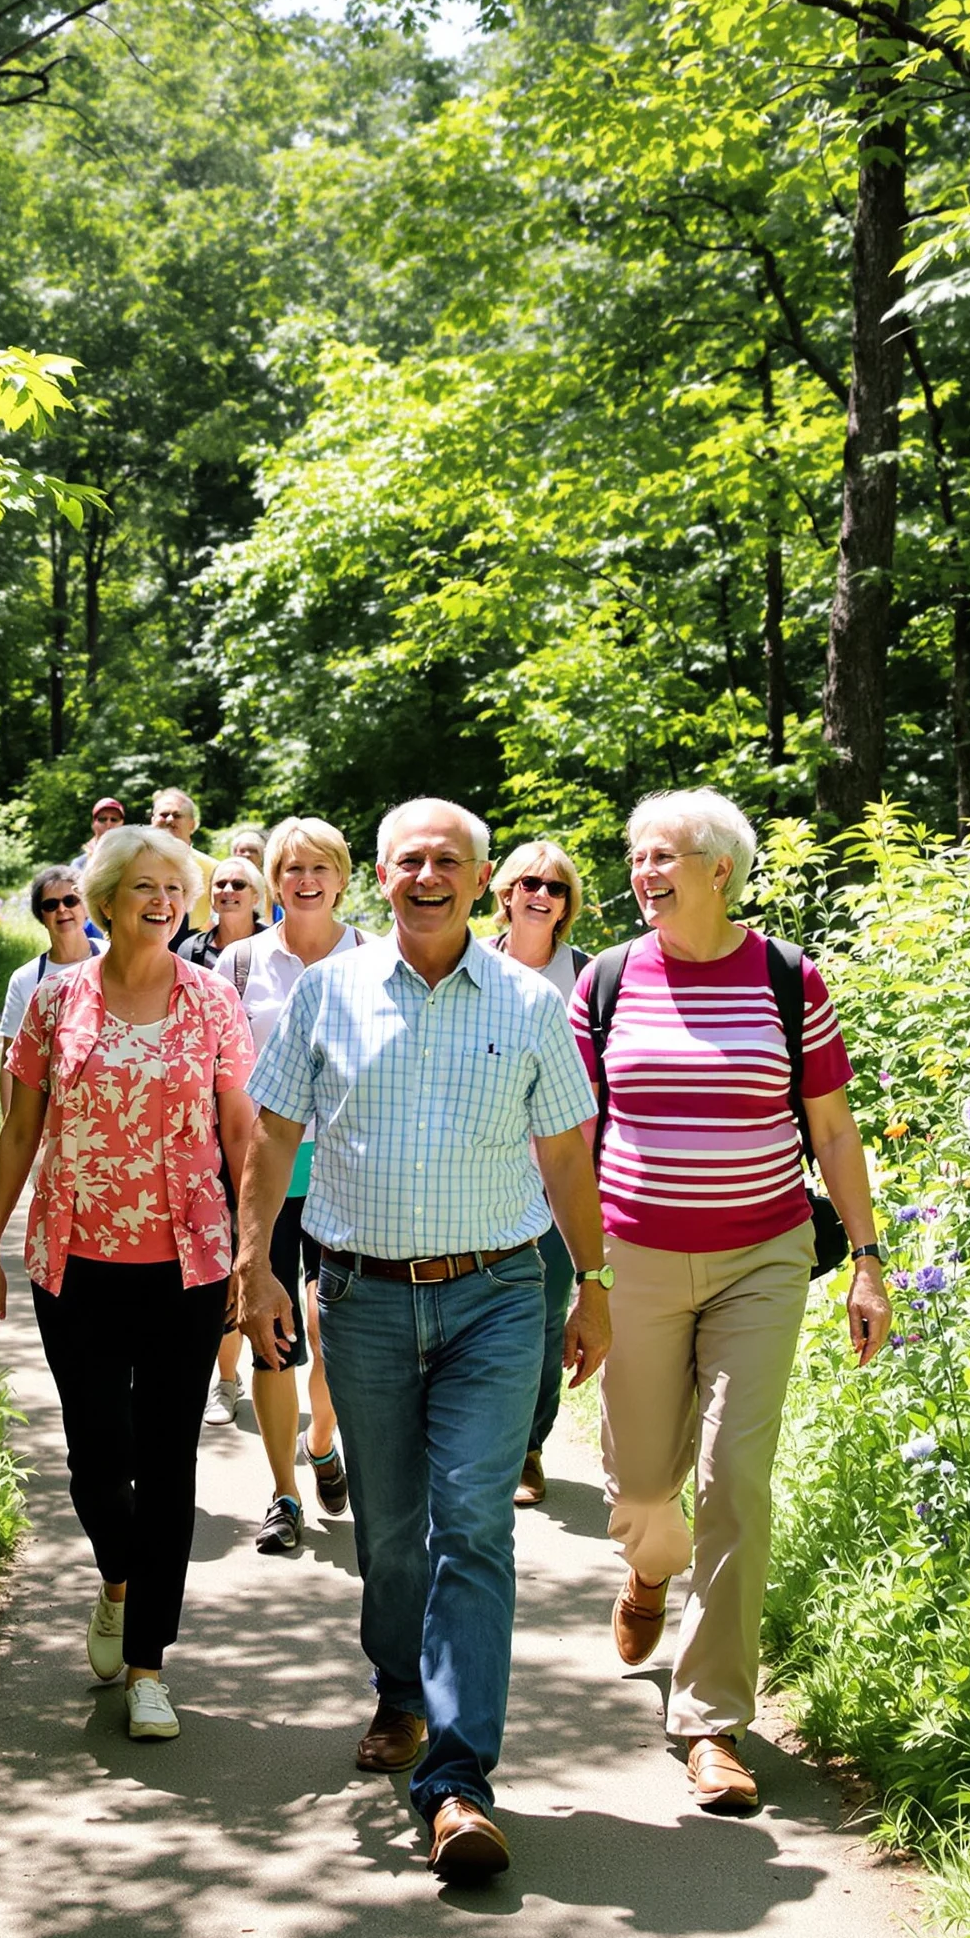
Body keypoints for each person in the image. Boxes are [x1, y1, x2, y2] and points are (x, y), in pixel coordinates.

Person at [233, 798, 607, 1883]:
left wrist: (592, 1281)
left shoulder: (532, 1002)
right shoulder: (326, 993)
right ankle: (398, 1687)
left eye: (449, 859)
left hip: (497, 1295)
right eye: (409, 859)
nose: (428, 873)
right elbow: (273, 1134)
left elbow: (566, 1154)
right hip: (361, 1296)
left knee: (473, 1528)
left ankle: (456, 1781)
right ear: (381, 879)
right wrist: (255, 1263)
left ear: (482, 878)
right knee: (393, 1531)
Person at [571, 787, 888, 1812]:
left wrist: (870, 1262)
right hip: (636, 1258)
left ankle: (710, 1719)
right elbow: (571, 1134)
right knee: (641, 1481)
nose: (640, 871)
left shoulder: (788, 978)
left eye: (659, 854)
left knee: (733, 1478)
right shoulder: (608, 982)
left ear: (717, 867)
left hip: (763, 1257)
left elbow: (831, 1131)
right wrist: (573, 1269)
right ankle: (647, 1568)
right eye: (633, 855)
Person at [0, 824, 256, 1745]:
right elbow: (19, 1132)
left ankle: (148, 1664)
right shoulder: (57, 1002)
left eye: (176, 887)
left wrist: (254, 1256)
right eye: (144, 886)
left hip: (188, 1263)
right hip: (75, 1257)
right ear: (105, 899)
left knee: (169, 1462)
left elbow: (243, 1135)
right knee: (96, 1459)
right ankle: (120, 1582)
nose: (164, 900)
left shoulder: (213, 1002)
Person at [208, 817, 370, 1547]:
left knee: (327, 1330)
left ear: (341, 876)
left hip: (349, 1174)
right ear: (273, 880)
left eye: (320, 868)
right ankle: (284, 1494)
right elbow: (209, 1069)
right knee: (270, 1327)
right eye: (292, 868)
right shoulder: (238, 966)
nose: (306, 880)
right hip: (261, 1175)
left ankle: (322, 1437)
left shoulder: (374, 956)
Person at [484, 841, 592, 1506]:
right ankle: (481, 1441)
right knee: (483, 1313)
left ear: (567, 904)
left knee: (547, 1317)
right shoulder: (473, 965)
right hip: (481, 1174)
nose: (541, 894)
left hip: (560, 1179)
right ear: (505, 892)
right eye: (529, 882)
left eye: (555, 887)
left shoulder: (587, 974)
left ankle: (528, 1446)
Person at [0, 866, 98, 1118]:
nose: (62, 910)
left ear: (86, 906)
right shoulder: (26, 979)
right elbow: (12, 1063)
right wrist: (12, 1131)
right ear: (41, 916)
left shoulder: (114, 957)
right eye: (51, 905)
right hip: (52, 1112)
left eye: (71, 900)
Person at [180, 857, 268, 969]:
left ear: (255, 897)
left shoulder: (275, 946)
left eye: (238, 884)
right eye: (221, 884)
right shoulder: (190, 950)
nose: (227, 890)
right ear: (211, 896)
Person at [150, 788, 218, 933]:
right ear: (152, 821)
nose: (169, 820)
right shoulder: (134, 865)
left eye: (177, 815)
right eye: (163, 814)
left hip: (195, 950)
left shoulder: (213, 869)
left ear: (192, 825)